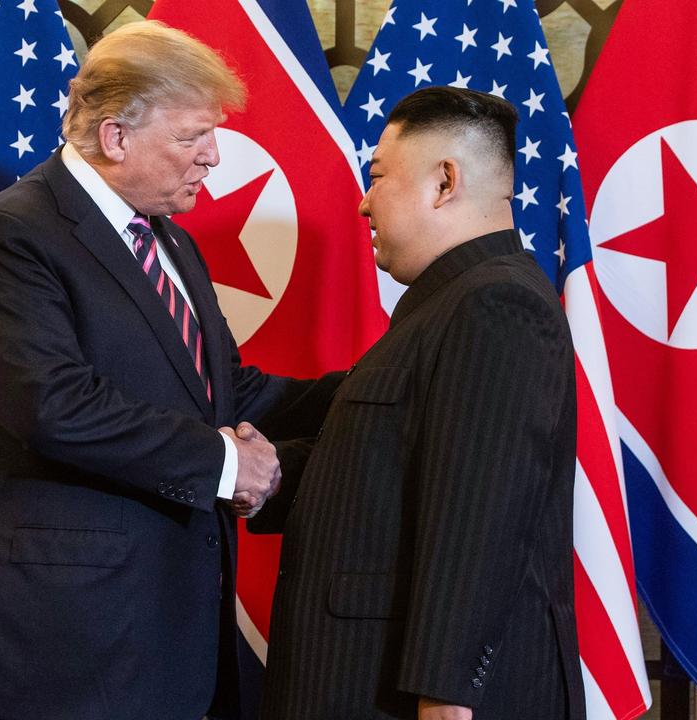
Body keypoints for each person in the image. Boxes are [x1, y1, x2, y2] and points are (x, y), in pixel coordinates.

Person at [0, 21, 336, 720]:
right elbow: (54, 406)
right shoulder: (12, 234)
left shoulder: (170, 240)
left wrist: (379, 387)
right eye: (194, 136)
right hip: (52, 652)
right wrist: (228, 465)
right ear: (116, 137)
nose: (213, 156)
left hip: (157, 645)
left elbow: (227, 390)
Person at [249, 87, 585, 720]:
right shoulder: (446, 302)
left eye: (376, 177)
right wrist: (268, 477)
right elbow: (387, 475)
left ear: (444, 182)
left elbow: (481, 519)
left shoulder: (495, 305)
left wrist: (447, 697)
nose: (363, 201)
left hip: (417, 700)